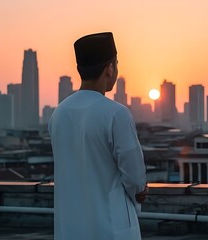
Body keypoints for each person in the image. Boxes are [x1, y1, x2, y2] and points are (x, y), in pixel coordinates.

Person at [48, 32, 147, 240]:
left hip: (69, 228)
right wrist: (139, 190)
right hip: (111, 229)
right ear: (110, 68)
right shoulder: (115, 113)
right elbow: (136, 178)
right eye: (116, 64)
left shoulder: (59, 113)